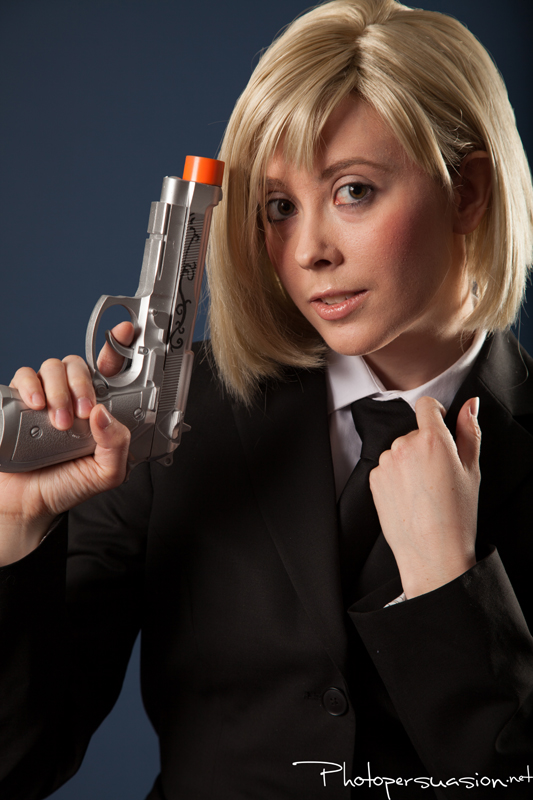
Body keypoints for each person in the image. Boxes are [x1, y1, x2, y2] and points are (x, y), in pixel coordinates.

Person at [0, 0, 532, 797]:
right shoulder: (175, 423)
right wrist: (14, 533)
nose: (308, 250)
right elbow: (16, 763)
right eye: (279, 207)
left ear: (467, 192)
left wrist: (448, 588)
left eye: (353, 190)